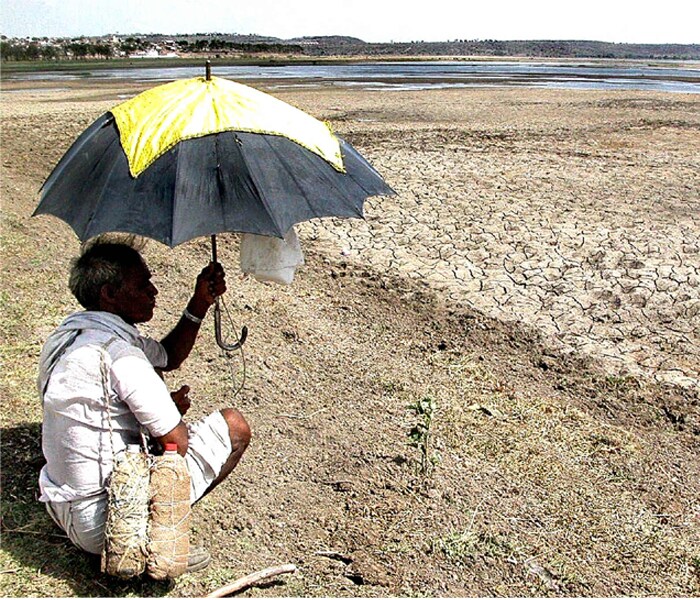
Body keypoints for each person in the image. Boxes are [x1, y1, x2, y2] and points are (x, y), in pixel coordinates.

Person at [37, 237, 251, 572]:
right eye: (143, 284)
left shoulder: (71, 334)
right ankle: (156, 536)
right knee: (234, 426)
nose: (153, 291)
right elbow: (175, 444)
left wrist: (200, 302)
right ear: (109, 294)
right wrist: (168, 418)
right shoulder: (119, 354)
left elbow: (167, 357)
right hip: (106, 522)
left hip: (60, 502)